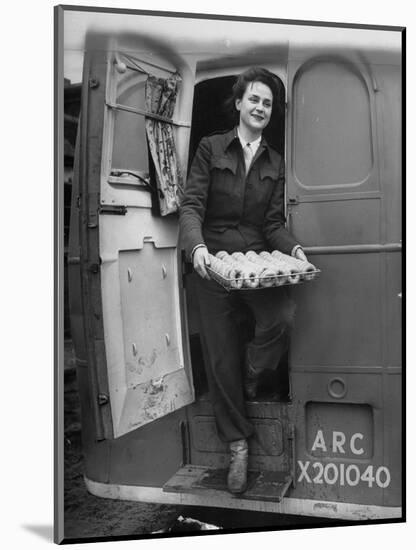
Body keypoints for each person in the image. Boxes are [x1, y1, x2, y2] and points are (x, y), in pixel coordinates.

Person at [179, 67, 308, 495]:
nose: (260, 108)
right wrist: (196, 248)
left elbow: (273, 223)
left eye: (268, 103)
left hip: (256, 257)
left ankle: (253, 377)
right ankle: (238, 444)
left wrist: (292, 249)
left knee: (282, 317)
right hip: (212, 260)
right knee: (219, 354)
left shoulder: (276, 162)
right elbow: (192, 205)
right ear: (238, 103)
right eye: (254, 99)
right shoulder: (210, 147)